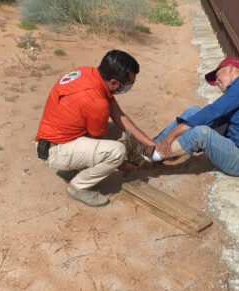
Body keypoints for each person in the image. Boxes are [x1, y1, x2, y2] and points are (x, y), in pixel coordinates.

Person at [35, 50, 155, 207]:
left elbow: (119, 115)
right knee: (117, 151)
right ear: (113, 82)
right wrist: (125, 165)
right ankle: (78, 187)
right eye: (127, 84)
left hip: (51, 140)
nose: (129, 87)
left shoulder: (87, 73)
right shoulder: (96, 102)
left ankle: (71, 168)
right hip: (53, 152)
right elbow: (100, 141)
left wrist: (150, 143)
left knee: (115, 130)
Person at [128, 57, 239, 176]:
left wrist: (174, 133)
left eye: (217, 76)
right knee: (193, 111)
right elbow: (211, 115)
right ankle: (151, 145)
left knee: (201, 133)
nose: (216, 83)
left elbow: (213, 111)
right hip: (231, 147)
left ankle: (151, 156)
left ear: (230, 68)